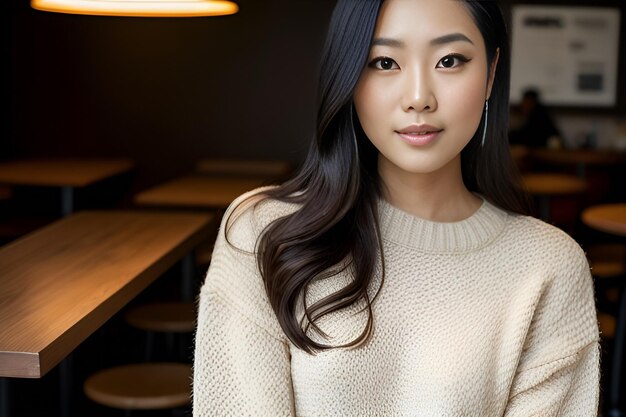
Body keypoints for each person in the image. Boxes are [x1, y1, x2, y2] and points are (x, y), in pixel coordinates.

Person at [193, 0, 600, 415]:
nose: (419, 97)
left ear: (492, 73)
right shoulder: (264, 235)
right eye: (384, 62)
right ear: (349, 74)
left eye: (450, 60)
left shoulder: (548, 266)